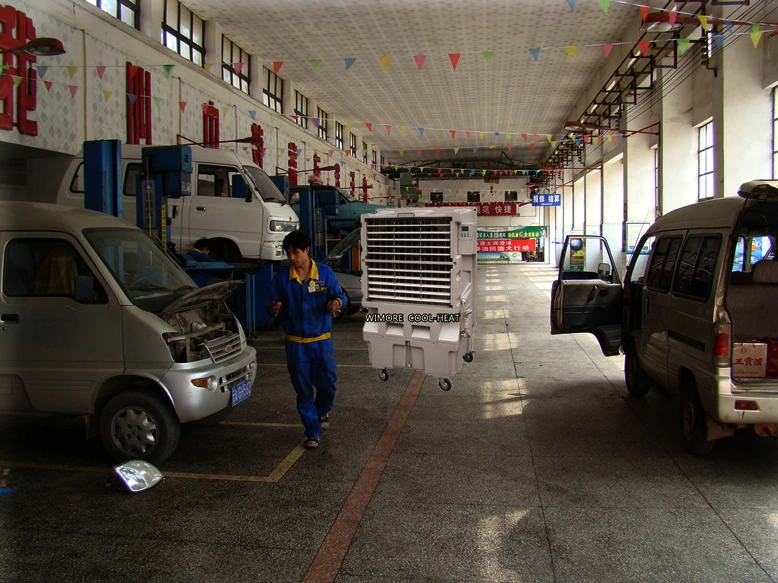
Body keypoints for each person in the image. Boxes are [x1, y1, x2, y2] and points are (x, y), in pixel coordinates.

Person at [268, 230, 347, 449]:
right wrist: (273, 309)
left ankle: (322, 411)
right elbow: (272, 307)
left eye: (295, 252)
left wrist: (337, 304)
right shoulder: (282, 278)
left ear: (307, 250)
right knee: (303, 390)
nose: (291, 258)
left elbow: (340, 296)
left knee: (328, 385)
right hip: (295, 346)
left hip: (321, 343)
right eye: (288, 253)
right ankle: (312, 432)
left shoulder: (324, 274)